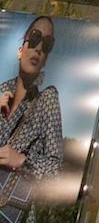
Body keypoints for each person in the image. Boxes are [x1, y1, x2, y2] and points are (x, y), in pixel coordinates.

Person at [0, 16, 64, 191]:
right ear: (20, 50)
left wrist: (22, 160)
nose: (38, 49)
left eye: (46, 44)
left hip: (12, 212)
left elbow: (56, 173)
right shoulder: (1, 100)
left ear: (45, 60)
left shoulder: (46, 100)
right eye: (35, 38)